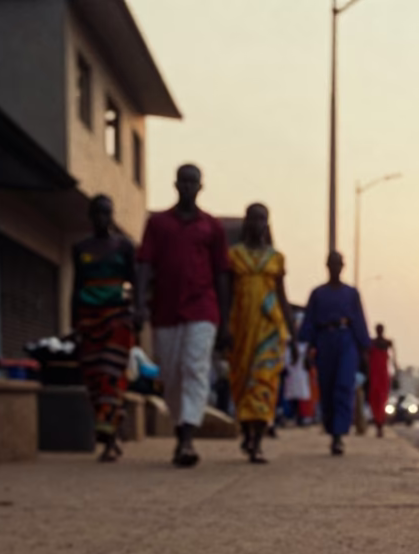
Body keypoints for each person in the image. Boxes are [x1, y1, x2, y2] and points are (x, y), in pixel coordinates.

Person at [135, 164, 231, 468]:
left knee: (194, 367)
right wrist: (139, 303)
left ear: (200, 187)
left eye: (193, 182)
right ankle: (180, 427)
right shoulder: (158, 224)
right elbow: (144, 264)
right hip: (165, 311)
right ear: (175, 185)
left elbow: (222, 273)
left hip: (203, 308)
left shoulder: (212, 227)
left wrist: (225, 320)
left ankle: (188, 436)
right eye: (183, 181)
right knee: (171, 374)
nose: (188, 186)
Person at [227, 203, 296, 463]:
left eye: (262, 219)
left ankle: (257, 441)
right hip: (241, 327)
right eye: (253, 219)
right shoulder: (233, 256)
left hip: (269, 329)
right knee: (241, 382)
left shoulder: (276, 258)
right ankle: (247, 432)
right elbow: (226, 293)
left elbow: (282, 297)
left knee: (264, 381)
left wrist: (293, 336)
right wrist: (222, 327)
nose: (257, 224)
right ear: (246, 222)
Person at [71, 194, 136, 462]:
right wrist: (74, 322)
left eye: (107, 213)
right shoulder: (81, 248)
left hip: (117, 317)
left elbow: (135, 282)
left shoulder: (124, 246)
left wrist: (137, 313)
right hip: (88, 318)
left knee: (111, 374)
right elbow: (76, 285)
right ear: (90, 216)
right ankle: (113, 429)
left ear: (112, 216)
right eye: (97, 213)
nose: (102, 218)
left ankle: (108, 440)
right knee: (94, 379)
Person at [299, 250, 371, 456]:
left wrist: (364, 351)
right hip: (324, 340)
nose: (335, 268)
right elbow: (309, 324)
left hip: (346, 340)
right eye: (332, 264)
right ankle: (331, 429)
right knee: (327, 387)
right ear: (327, 266)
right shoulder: (317, 294)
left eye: (338, 264)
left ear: (343, 266)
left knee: (343, 385)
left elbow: (359, 322)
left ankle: (339, 435)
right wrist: (306, 352)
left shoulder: (351, 293)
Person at [367, 324, 396, 437]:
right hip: (374, 374)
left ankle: (380, 422)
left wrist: (395, 374)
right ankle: (378, 422)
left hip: (382, 375)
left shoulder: (387, 343)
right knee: (375, 400)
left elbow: (393, 359)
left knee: (382, 399)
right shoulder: (372, 343)